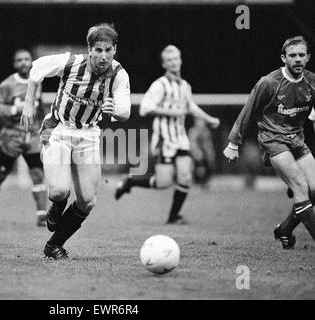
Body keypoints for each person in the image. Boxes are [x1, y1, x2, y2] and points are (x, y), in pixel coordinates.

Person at [21, 23, 131, 259]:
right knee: (60, 190)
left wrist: (116, 110)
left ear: (114, 50)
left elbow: (125, 110)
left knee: (87, 201)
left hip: (89, 134)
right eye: (98, 50)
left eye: (108, 50)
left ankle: (53, 245)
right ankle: (57, 206)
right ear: (90, 49)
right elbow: (36, 69)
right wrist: (28, 103)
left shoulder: (119, 74)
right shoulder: (70, 63)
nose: (103, 56)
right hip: (59, 129)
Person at [223, 36, 315, 249]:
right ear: (283, 58)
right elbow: (248, 109)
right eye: (292, 55)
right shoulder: (269, 82)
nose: (298, 59)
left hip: (297, 139)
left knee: (313, 191)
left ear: (308, 57)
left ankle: (284, 229)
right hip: (272, 139)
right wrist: (233, 143)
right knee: (301, 187)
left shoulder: (311, 81)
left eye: (302, 55)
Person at [115, 45, 220, 224]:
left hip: (181, 139)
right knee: (163, 182)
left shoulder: (185, 86)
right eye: (169, 60)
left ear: (180, 60)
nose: (174, 62)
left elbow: (190, 106)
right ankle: (130, 182)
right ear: (164, 64)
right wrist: (170, 112)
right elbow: (145, 108)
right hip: (164, 139)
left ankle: (173, 217)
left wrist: (209, 118)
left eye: (176, 58)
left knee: (185, 177)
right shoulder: (159, 85)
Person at [0, 49, 48, 227]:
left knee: (38, 174)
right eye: (19, 60)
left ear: (31, 61)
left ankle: (41, 215)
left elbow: (38, 108)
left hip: (31, 136)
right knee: (2, 173)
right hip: (12, 137)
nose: (24, 62)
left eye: (26, 59)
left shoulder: (37, 82)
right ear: (14, 64)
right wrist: (15, 110)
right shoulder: (7, 85)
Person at [188, 117, 216, 188]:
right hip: (195, 153)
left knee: (207, 167)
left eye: (202, 122)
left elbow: (208, 143)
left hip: (204, 153)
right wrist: (196, 152)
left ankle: (204, 183)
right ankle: (195, 183)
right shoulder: (193, 131)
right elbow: (192, 143)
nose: (201, 123)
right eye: (199, 121)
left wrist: (210, 153)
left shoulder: (206, 131)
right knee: (196, 168)